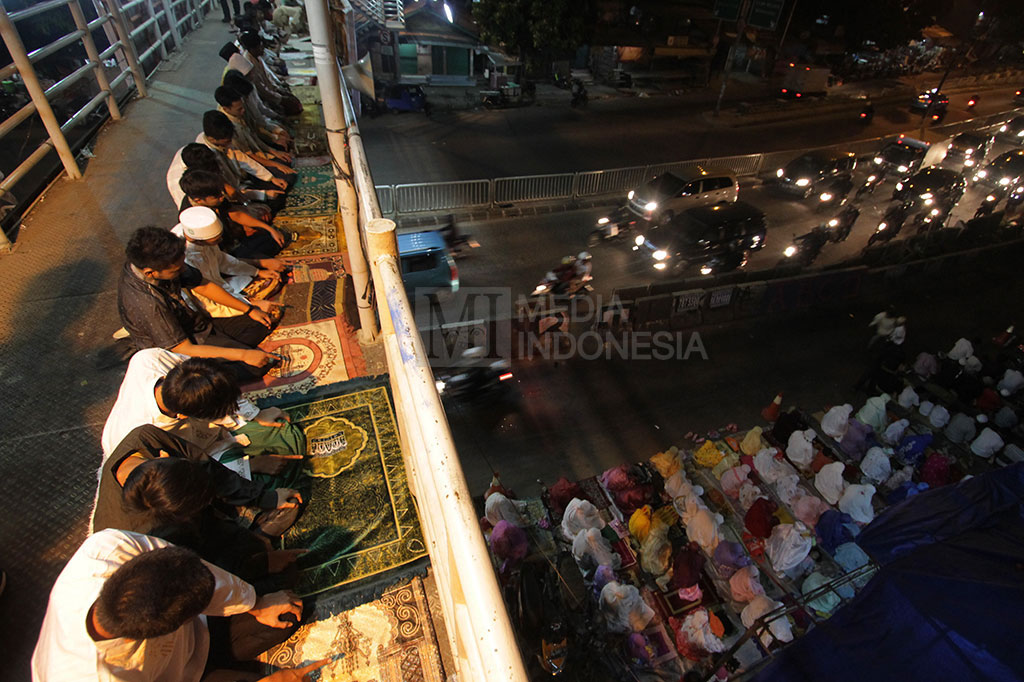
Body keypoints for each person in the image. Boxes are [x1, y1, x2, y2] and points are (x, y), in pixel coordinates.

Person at [31, 529, 313, 682]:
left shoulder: (106, 549)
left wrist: (255, 602)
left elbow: (192, 570)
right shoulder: (99, 675)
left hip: (198, 633)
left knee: (288, 611)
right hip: (185, 675)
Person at [94, 425, 304, 583]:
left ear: (164, 456)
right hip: (171, 576)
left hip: (196, 524)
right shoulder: (146, 537)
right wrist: (263, 565)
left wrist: (263, 497)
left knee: (285, 507)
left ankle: (247, 536)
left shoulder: (145, 438)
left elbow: (207, 467)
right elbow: (197, 577)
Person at [117, 226, 279, 377]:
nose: (183, 270)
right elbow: (183, 348)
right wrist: (243, 354)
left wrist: (249, 309)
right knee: (256, 366)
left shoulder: (156, 264)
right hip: (180, 346)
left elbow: (203, 285)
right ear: (150, 273)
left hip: (196, 322)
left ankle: (226, 349)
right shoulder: (147, 304)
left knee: (261, 322)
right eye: (177, 270)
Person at [99, 349, 305, 468]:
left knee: (286, 437)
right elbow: (182, 478)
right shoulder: (141, 439)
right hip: (186, 465)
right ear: (185, 416)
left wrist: (256, 414)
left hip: (209, 438)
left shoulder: (149, 360)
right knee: (281, 461)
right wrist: (253, 466)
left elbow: (217, 383)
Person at [173, 206, 287, 318]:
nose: (221, 241)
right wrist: (250, 306)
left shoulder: (200, 238)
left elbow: (223, 260)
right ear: (200, 241)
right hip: (210, 306)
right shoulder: (185, 259)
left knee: (272, 280)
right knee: (263, 320)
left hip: (221, 286)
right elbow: (208, 301)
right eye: (216, 240)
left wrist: (257, 272)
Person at [179, 170, 289, 257]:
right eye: (217, 197)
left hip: (232, 243)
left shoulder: (215, 199)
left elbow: (236, 214)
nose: (222, 197)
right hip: (223, 255)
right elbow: (219, 257)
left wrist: (270, 229)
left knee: (275, 237)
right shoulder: (193, 219)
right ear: (198, 200)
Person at [198, 111, 291, 195]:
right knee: (276, 195)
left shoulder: (223, 141)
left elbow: (245, 160)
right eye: (226, 142)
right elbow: (230, 193)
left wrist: (271, 178)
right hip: (234, 193)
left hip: (242, 183)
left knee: (283, 180)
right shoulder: (205, 156)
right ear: (212, 139)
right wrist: (263, 194)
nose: (229, 144)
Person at [215, 86, 292, 164]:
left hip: (259, 147)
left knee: (285, 147)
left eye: (243, 106)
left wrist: (274, 145)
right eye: (239, 109)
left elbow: (255, 129)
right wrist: (276, 164)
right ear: (226, 109)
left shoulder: (240, 109)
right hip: (252, 160)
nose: (243, 110)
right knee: (285, 163)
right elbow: (248, 156)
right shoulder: (227, 128)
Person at [223, 68, 291, 149]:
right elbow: (249, 149)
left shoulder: (242, 104)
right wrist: (273, 146)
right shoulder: (228, 124)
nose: (243, 110)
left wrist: (275, 133)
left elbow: (256, 126)